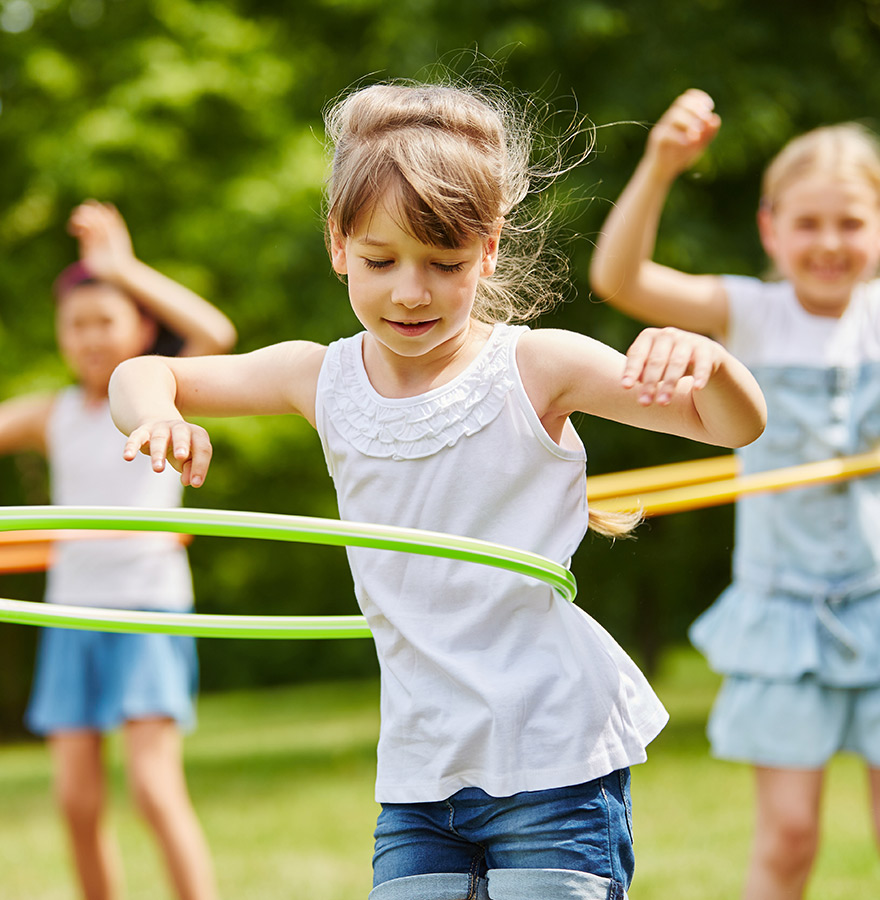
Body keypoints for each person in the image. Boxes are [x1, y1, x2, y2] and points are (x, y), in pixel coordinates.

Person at [109, 80, 765, 900]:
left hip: (551, 756)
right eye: (381, 261)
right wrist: (157, 416)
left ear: (488, 250)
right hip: (420, 774)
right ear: (338, 244)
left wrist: (712, 360)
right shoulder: (318, 376)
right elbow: (140, 371)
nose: (410, 291)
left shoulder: (538, 366)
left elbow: (731, 426)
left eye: (444, 263)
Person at [591, 88, 880, 900]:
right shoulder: (750, 312)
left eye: (851, 223)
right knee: (790, 835)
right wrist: (661, 165)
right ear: (770, 228)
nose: (829, 243)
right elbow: (618, 277)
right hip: (782, 611)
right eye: (807, 223)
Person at [0, 199, 236, 900]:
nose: (90, 337)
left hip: (147, 609)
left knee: (155, 791)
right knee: (75, 802)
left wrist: (122, 267)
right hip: (73, 614)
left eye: (106, 320)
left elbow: (216, 332)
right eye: (76, 325)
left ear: (140, 327)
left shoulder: (159, 394)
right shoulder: (56, 414)